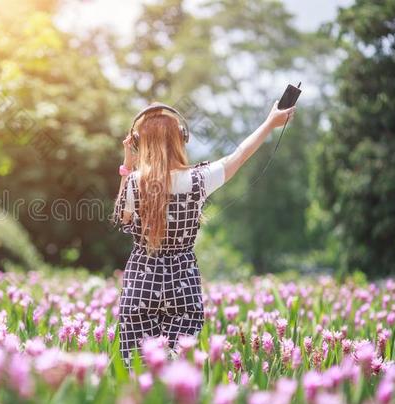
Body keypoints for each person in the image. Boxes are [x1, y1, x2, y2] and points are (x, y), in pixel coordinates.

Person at [111, 100, 295, 370]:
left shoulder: (135, 183)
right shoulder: (199, 179)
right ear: (181, 139)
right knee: (178, 375)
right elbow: (240, 155)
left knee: (139, 373)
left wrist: (127, 166)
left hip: (141, 284)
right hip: (183, 285)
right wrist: (270, 123)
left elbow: (122, 218)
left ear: (140, 143)